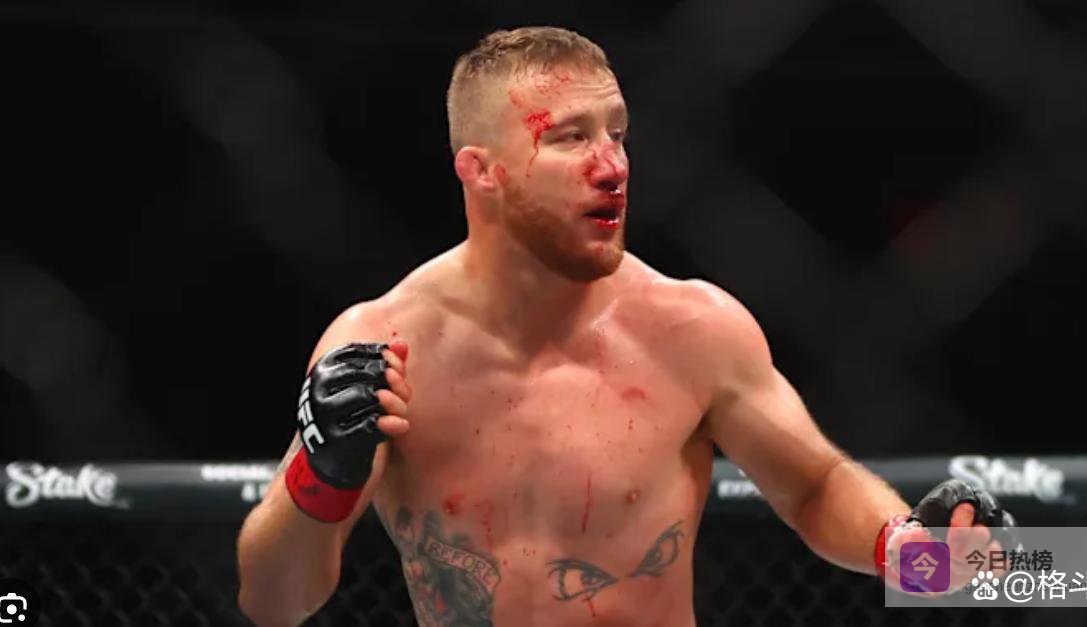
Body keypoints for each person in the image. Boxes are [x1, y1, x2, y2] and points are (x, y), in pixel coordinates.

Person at [236, 26, 1017, 627]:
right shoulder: (381, 345)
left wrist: (912, 554)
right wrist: (320, 475)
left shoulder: (691, 326)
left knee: (1075, 569)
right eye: (569, 136)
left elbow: (814, 485)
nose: (612, 165)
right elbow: (273, 602)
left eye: (616, 132)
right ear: (481, 170)